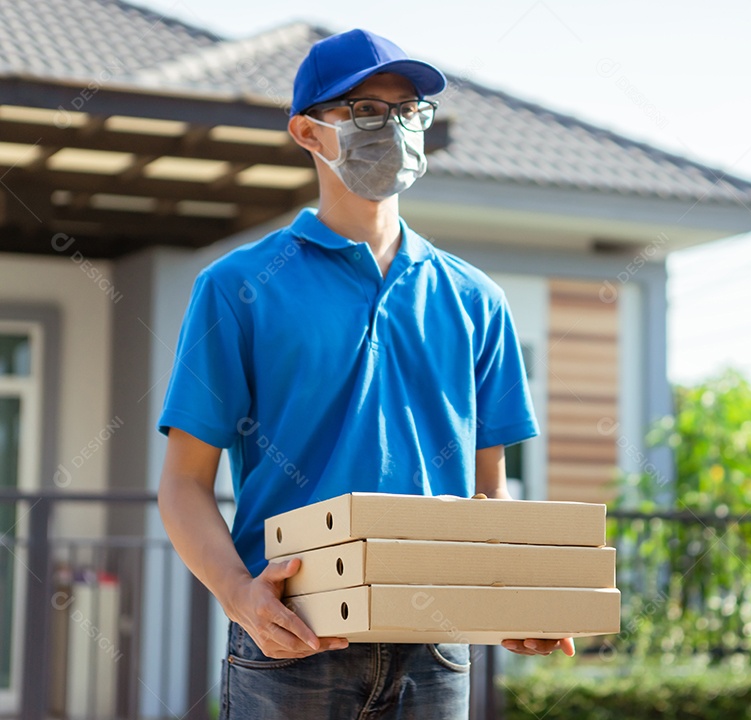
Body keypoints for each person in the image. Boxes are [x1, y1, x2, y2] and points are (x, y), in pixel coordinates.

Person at [156, 28, 573, 720]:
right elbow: (182, 483)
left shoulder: (475, 300)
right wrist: (240, 594)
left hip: (436, 650)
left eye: (408, 112)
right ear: (307, 132)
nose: (394, 129)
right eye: (366, 112)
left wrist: (518, 595)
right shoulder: (237, 288)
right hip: (292, 640)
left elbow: (487, 493)